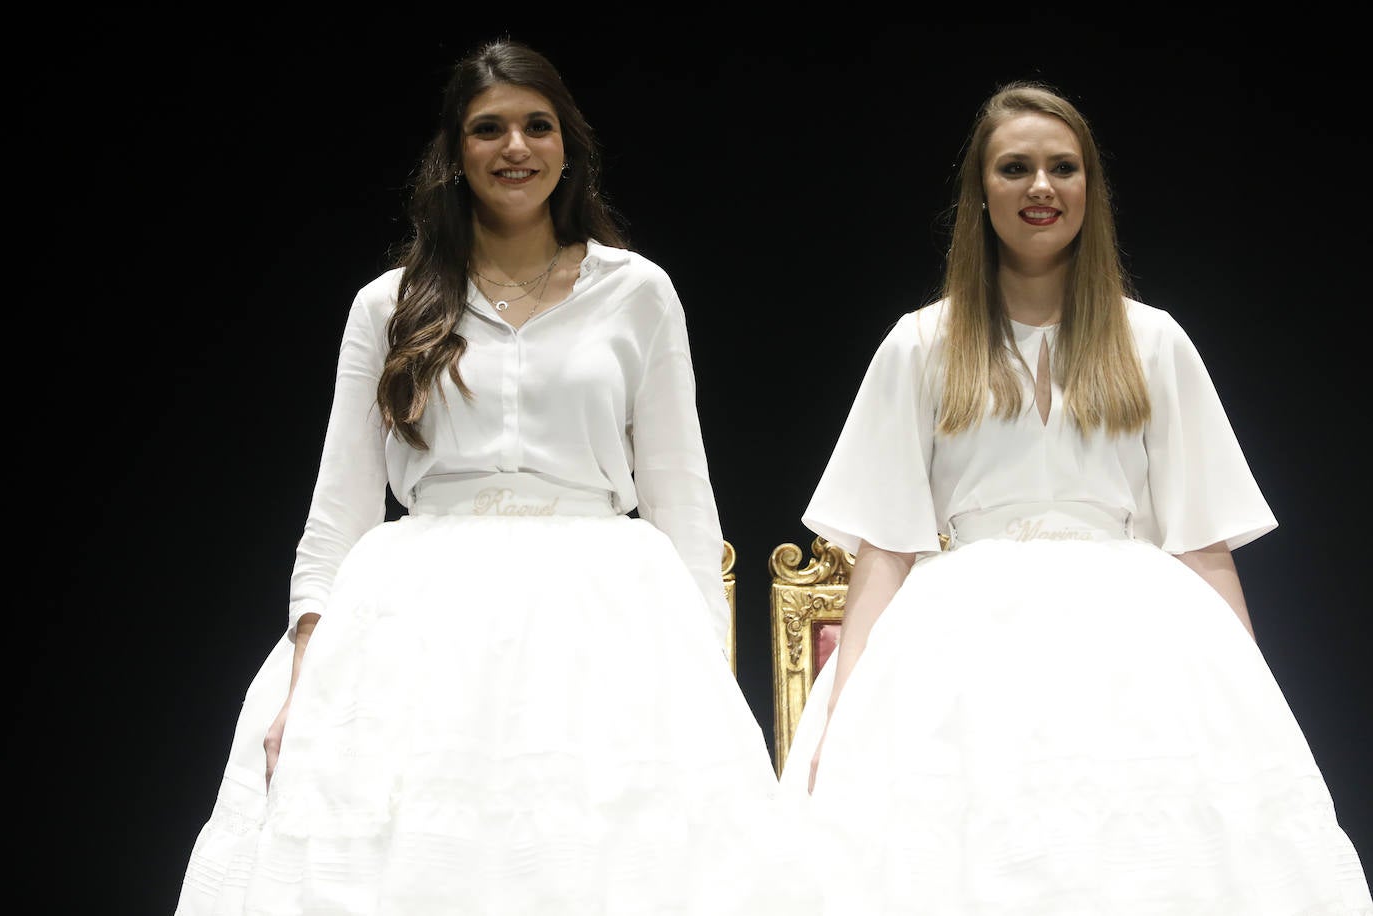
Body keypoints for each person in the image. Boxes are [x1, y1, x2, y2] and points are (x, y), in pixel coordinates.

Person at [176, 38, 810, 916]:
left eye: (536, 126)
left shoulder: (638, 293)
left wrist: (701, 676)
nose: (515, 148)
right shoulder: (388, 304)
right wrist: (300, 681)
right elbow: (340, 508)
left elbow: (682, 498)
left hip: (601, 612)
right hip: (417, 618)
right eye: (489, 129)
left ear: (568, 146)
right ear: (455, 152)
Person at [779, 80, 1373, 913]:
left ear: (1090, 191)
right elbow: (885, 547)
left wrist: (1250, 703)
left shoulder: (1153, 341)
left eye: (1063, 168)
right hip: (961, 646)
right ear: (981, 194)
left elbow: (1203, 545)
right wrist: (840, 723)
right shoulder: (920, 344)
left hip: (1134, 641)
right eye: (1015, 168)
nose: (1041, 188)